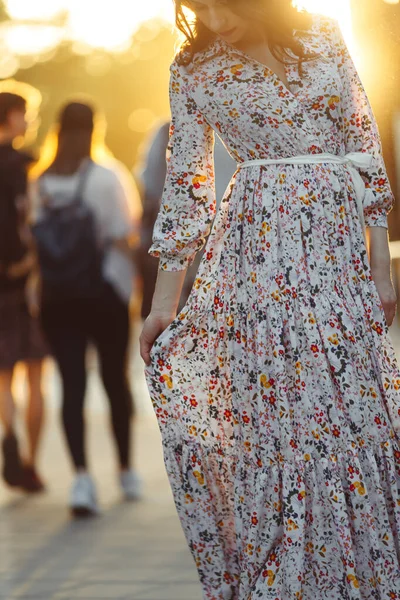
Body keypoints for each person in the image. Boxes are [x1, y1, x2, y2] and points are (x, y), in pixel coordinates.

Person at [140, 1, 400, 598]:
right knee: (283, 418)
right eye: (197, 7)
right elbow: (187, 186)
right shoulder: (194, 67)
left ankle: (362, 575)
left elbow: (363, 141)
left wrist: (380, 271)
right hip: (255, 254)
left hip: (335, 253)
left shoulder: (324, 37)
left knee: (348, 412)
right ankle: (289, 577)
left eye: (221, 4)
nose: (211, 18)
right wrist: (162, 305)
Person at [31, 101, 142, 517]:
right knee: (115, 379)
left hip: (57, 298)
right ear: (95, 128)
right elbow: (122, 233)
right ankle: (127, 468)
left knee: (72, 384)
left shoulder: (40, 180)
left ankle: (81, 479)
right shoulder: (106, 177)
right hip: (105, 293)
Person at [137, 120, 236, 318]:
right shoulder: (241, 125)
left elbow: (151, 188)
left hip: (186, 233)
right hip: (231, 235)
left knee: (182, 307)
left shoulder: (169, 129)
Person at [0, 92, 48, 493]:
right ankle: (30, 462)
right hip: (23, 282)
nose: (29, 123)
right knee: (34, 374)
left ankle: (9, 435)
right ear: (13, 117)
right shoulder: (24, 165)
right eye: (27, 116)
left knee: (2, 376)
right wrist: (25, 262)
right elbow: (29, 219)